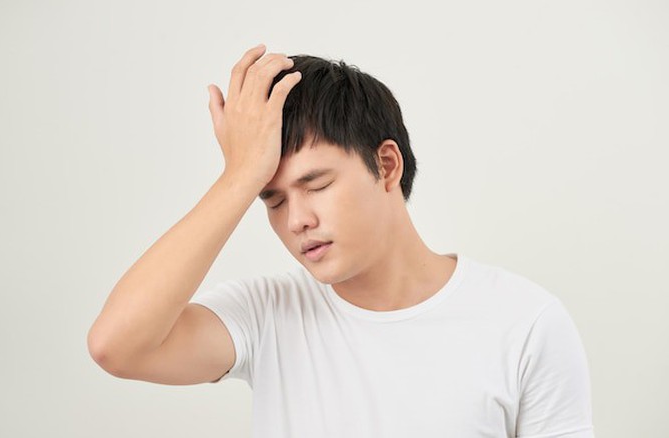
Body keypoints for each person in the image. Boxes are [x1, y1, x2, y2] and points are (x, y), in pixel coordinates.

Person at [87, 43, 595, 437]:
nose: (297, 220)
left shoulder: (525, 323)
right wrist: (238, 177)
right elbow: (117, 346)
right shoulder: (267, 315)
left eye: (316, 185)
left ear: (386, 165)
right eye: (273, 200)